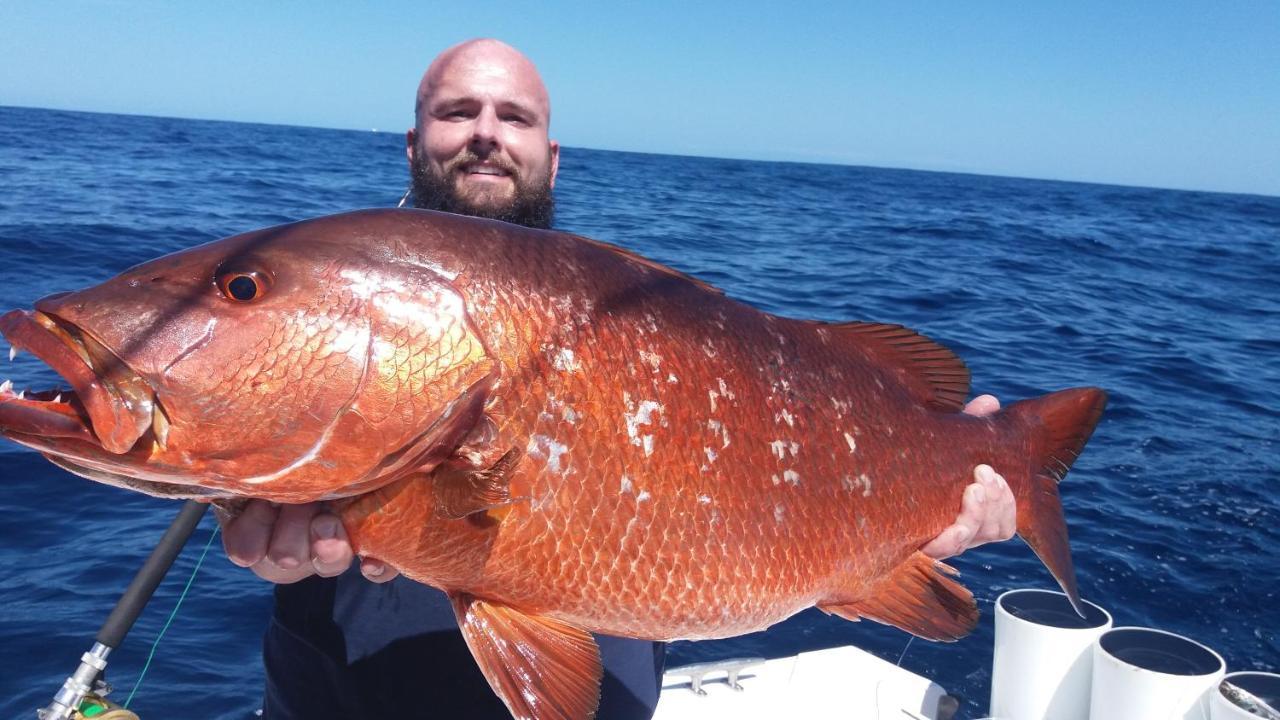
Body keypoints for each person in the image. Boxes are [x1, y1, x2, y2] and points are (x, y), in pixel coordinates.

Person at [219, 38, 1018, 719]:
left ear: (551, 156)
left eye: (515, 117)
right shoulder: (333, 284)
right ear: (413, 142)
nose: (486, 134)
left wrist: (943, 489)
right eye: (458, 111)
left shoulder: (634, 304)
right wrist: (246, 510)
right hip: (346, 687)